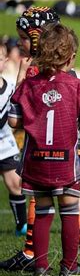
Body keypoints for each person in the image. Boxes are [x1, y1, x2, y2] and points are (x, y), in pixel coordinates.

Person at [0, 6, 80, 273]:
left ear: (37, 37)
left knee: (42, 201)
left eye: (23, 37)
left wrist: (21, 75)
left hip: (46, 149)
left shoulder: (35, 72)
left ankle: (33, 254)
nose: (19, 43)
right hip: (71, 145)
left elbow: (19, 112)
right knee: (73, 201)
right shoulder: (69, 71)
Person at [0, 42, 26, 236]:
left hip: (5, 147)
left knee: (15, 184)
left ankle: (22, 225)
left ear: (5, 61)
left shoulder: (10, 89)